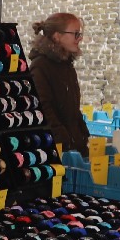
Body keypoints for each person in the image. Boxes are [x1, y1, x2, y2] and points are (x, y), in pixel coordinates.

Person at [28, 13, 90, 155]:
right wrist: (63, 139)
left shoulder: (66, 64)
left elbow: (72, 109)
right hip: (58, 148)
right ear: (57, 36)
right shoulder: (40, 66)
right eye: (75, 33)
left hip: (74, 145)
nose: (79, 38)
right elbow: (43, 107)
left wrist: (81, 133)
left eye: (79, 34)